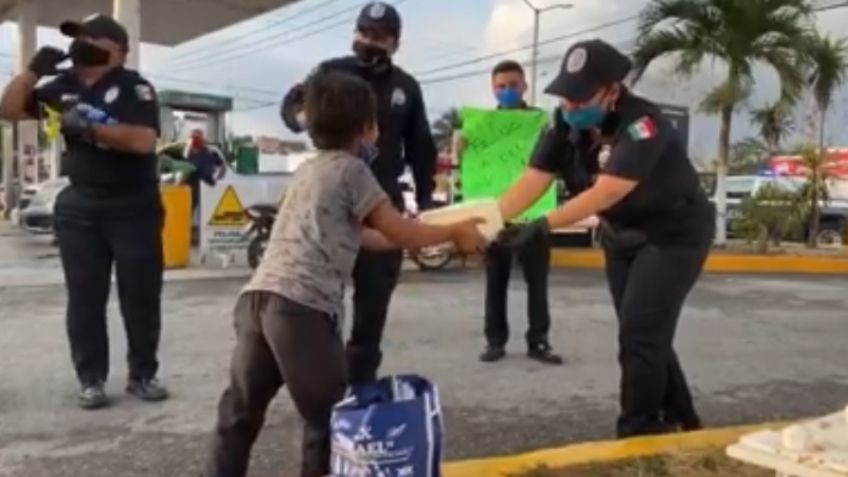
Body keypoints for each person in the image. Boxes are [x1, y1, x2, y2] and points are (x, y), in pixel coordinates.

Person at [203, 69, 485, 477]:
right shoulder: (354, 171)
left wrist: (421, 237)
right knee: (332, 420)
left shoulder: (307, 171)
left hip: (256, 301)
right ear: (367, 128)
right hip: (301, 309)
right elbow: (398, 228)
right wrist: (455, 232)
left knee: (240, 415)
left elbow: (367, 237)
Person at [496, 39, 714, 438]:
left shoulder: (642, 123)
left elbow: (607, 191)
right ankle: (684, 420)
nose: (571, 107)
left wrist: (543, 225)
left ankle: (638, 429)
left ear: (612, 90)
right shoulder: (563, 124)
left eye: (581, 98)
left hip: (673, 234)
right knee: (645, 331)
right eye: (566, 97)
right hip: (621, 236)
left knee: (640, 331)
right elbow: (533, 180)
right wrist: (491, 220)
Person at [0, 14, 168, 409]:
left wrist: (91, 130)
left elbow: (143, 141)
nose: (81, 44)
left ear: (117, 52)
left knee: (139, 296)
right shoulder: (62, 86)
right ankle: (90, 379)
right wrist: (30, 72)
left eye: (92, 39)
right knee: (84, 298)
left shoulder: (135, 88)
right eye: (79, 38)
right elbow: (8, 111)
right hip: (80, 205)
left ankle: (143, 374)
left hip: (132, 205)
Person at [280, 1, 438, 385]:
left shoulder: (406, 88)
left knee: (373, 305)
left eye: (380, 37)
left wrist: (427, 199)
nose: (370, 41)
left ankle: (360, 384)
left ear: (395, 43)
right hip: (333, 198)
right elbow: (293, 109)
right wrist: (305, 116)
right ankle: (323, 382)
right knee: (318, 300)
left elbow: (421, 147)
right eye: (364, 32)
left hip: (381, 198)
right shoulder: (331, 72)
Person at [455, 60, 561, 364]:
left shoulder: (542, 126)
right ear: (493, 89)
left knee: (537, 282)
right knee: (495, 280)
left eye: (513, 85)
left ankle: (539, 341)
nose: (507, 91)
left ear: (525, 86)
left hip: (534, 215)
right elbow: (467, 169)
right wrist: (461, 147)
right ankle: (494, 341)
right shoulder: (479, 130)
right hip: (496, 215)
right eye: (501, 86)